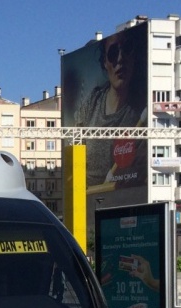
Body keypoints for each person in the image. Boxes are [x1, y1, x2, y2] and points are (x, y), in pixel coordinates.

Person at [73, 29, 149, 191]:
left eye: (127, 48)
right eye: (113, 53)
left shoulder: (143, 113)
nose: (120, 59)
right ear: (105, 63)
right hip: (86, 200)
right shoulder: (91, 103)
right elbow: (74, 157)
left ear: (135, 56)